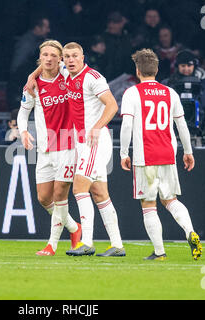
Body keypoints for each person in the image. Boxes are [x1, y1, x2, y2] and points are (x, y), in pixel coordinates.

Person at [26, 42, 125, 257]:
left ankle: (86, 242)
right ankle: (117, 245)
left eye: (75, 56)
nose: (70, 60)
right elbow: (46, 63)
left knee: (79, 187)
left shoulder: (93, 77)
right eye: (67, 56)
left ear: (83, 58)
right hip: (82, 142)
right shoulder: (68, 75)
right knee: (99, 193)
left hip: (94, 140)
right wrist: (32, 76)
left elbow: (113, 105)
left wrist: (97, 128)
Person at [119, 49, 202, 261]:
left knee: (149, 204)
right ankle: (189, 231)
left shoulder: (132, 93)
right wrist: (188, 151)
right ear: (156, 70)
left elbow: (127, 124)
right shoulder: (170, 92)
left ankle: (159, 252)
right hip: (167, 153)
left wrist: (123, 152)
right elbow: (181, 124)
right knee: (170, 199)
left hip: (145, 156)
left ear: (138, 71)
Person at [17, 40, 81, 256]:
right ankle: (74, 227)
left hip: (67, 144)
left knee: (59, 193)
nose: (49, 58)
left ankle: (51, 245)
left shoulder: (66, 74)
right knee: (44, 198)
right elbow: (23, 112)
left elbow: (71, 62)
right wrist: (24, 131)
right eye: (45, 54)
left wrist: (33, 74)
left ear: (60, 58)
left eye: (54, 55)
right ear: (40, 57)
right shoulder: (33, 86)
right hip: (45, 148)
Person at [162, 50, 205, 146]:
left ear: (194, 66)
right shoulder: (168, 84)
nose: (186, 69)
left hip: (198, 135)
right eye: (183, 66)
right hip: (172, 135)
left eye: (189, 66)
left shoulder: (204, 85)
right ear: (177, 66)